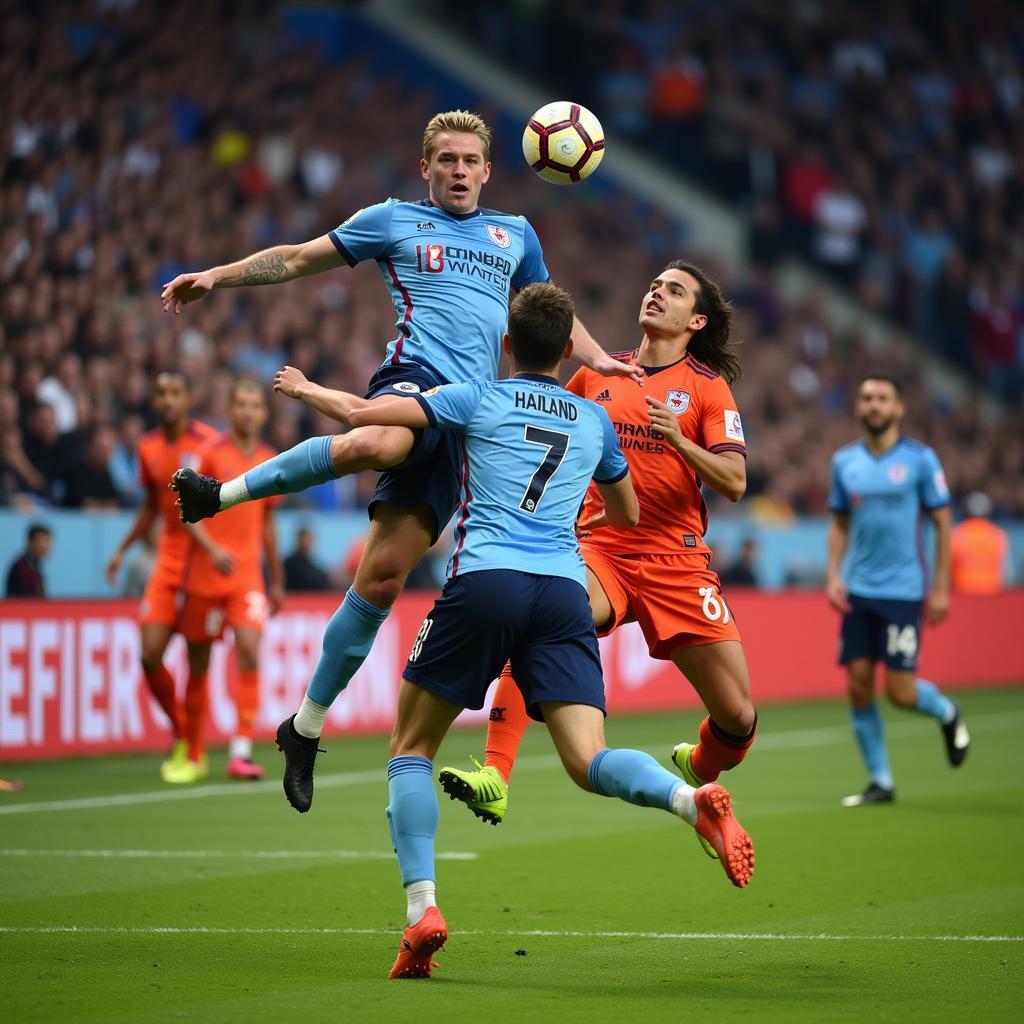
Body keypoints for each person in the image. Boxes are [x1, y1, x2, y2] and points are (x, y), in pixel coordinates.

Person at [274, 283, 754, 979]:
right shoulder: (590, 412)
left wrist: (306, 387)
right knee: (589, 759)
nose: (654, 292)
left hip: (490, 581)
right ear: (569, 349)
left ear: (505, 343)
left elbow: (364, 415)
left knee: (410, 747)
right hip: (565, 586)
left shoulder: (477, 394)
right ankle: (686, 799)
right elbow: (621, 511)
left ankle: (422, 913)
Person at [165, 110, 641, 809]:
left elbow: (547, 314)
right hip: (413, 381)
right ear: (425, 168)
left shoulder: (516, 236)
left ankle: (304, 726)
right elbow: (297, 258)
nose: (456, 170)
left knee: (383, 580)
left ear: (486, 169)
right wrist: (218, 276)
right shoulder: (391, 221)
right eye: (444, 159)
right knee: (375, 439)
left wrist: (600, 358)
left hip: (469, 418)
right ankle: (219, 493)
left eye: (468, 160)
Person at [439, 262, 757, 868]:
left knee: (738, 717)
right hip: (601, 547)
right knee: (540, 620)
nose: (657, 292)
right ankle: (495, 774)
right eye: (655, 283)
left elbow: (737, 481)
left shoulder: (707, 388)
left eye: (675, 290)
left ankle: (699, 769)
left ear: (696, 320)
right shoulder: (597, 375)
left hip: (677, 561)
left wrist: (680, 442)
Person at [826, 374, 969, 807]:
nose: (873, 405)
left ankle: (946, 712)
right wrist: (834, 574)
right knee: (858, 683)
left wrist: (941, 587)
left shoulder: (921, 461)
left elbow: (943, 524)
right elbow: (838, 522)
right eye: (866, 397)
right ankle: (881, 781)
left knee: (901, 693)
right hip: (860, 590)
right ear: (858, 407)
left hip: (904, 591)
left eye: (882, 399)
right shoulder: (844, 463)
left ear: (898, 408)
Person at [105, 372, 219, 781]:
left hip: (204, 566)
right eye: (160, 393)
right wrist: (122, 549)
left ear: (188, 398)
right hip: (167, 562)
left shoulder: (209, 442)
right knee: (149, 654)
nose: (167, 399)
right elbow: (152, 507)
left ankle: (194, 751)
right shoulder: (148, 445)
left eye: (174, 392)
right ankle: (182, 733)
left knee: (196, 660)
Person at [172, 380, 285, 783]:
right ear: (230, 409)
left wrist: (277, 578)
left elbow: (269, 521)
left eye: (255, 405)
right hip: (206, 574)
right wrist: (212, 548)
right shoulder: (210, 452)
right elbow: (183, 509)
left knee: (250, 652)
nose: (248, 411)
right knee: (198, 663)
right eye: (240, 404)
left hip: (247, 578)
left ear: (264, 413)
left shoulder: (272, 458)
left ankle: (239, 752)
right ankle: (194, 750)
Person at [950, 491, 1009, 594]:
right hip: (992, 593)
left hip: (963, 593)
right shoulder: (997, 534)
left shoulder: (957, 533)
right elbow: (1007, 571)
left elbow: (948, 568)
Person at [5, 522, 52, 597]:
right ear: (30, 542)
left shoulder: (34, 565)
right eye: (44, 541)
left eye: (48, 541)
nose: (47, 546)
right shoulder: (22, 568)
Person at [283, 527, 330, 592]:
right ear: (298, 541)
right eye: (304, 541)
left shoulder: (312, 566)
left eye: (308, 541)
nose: (306, 544)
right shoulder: (288, 565)